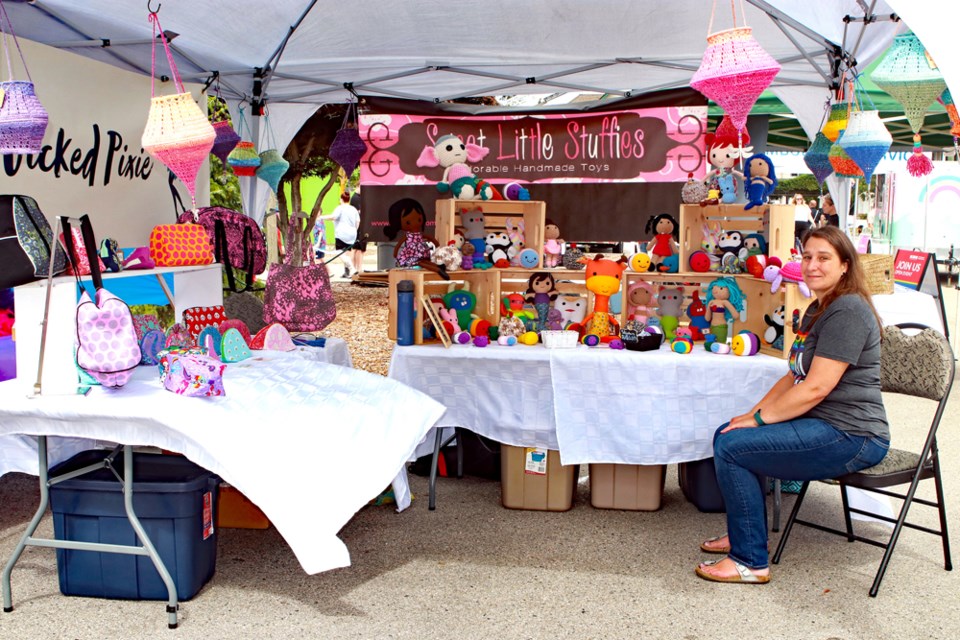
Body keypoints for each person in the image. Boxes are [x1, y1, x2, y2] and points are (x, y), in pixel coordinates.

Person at [694, 225, 889, 584]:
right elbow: (792, 376)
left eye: (824, 258)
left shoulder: (848, 311)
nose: (812, 265)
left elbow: (815, 388)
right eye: (807, 256)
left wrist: (761, 421)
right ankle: (748, 534)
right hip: (827, 426)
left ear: (845, 265)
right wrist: (752, 415)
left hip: (853, 435)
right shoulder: (820, 307)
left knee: (734, 447)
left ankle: (750, 561)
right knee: (731, 433)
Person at [318, 192, 360, 277]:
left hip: (341, 233)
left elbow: (333, 217)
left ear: (341, 199)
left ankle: (352, 268)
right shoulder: (353, 209)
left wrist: (321, 217)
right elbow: (358, 221)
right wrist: (355, 230)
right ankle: (348, 272)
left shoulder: (340, 208)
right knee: (347, 252)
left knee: (339, 252)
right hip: (352, 234)